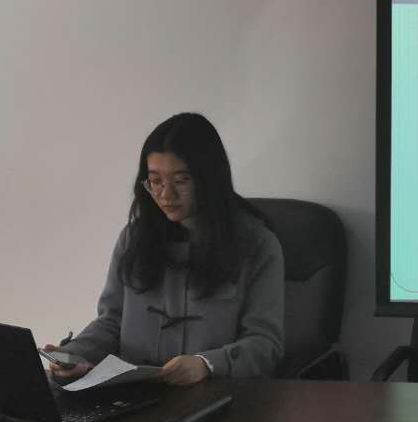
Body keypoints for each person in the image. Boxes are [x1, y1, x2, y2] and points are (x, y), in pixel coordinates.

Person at [48, 113, 284, 385]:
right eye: (156, 181)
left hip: (216, 394)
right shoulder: (134, 238)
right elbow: (112, 321)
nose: (166, 194)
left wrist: (206, 364)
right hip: (135, 393)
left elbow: (265, 344)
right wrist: (74, 354)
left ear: (209, 179)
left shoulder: (257, 245)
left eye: (181, 181)